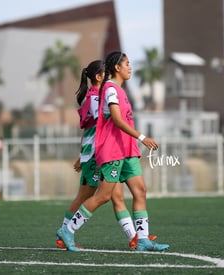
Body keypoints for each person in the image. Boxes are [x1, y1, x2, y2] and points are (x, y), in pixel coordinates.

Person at [57, 51, 169, 252]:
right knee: (103, 196)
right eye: (127, 63)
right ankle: (68, 230)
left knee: (140, 191)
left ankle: (142, 240)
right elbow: (116, 120)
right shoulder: (109, 89)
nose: (130, 67)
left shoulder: (120, 90)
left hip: (128, 150)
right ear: (117, 67)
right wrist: (142, 138)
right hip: (112, 151)